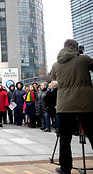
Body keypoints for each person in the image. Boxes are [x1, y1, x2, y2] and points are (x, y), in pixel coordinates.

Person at [51, 39, 93, 174]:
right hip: (85, 103)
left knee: (64, 139)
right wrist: (81, 56)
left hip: (65, 105)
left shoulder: (56, 64)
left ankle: (65, 169)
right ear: (76, 48)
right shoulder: (83, 59)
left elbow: (51, 77)